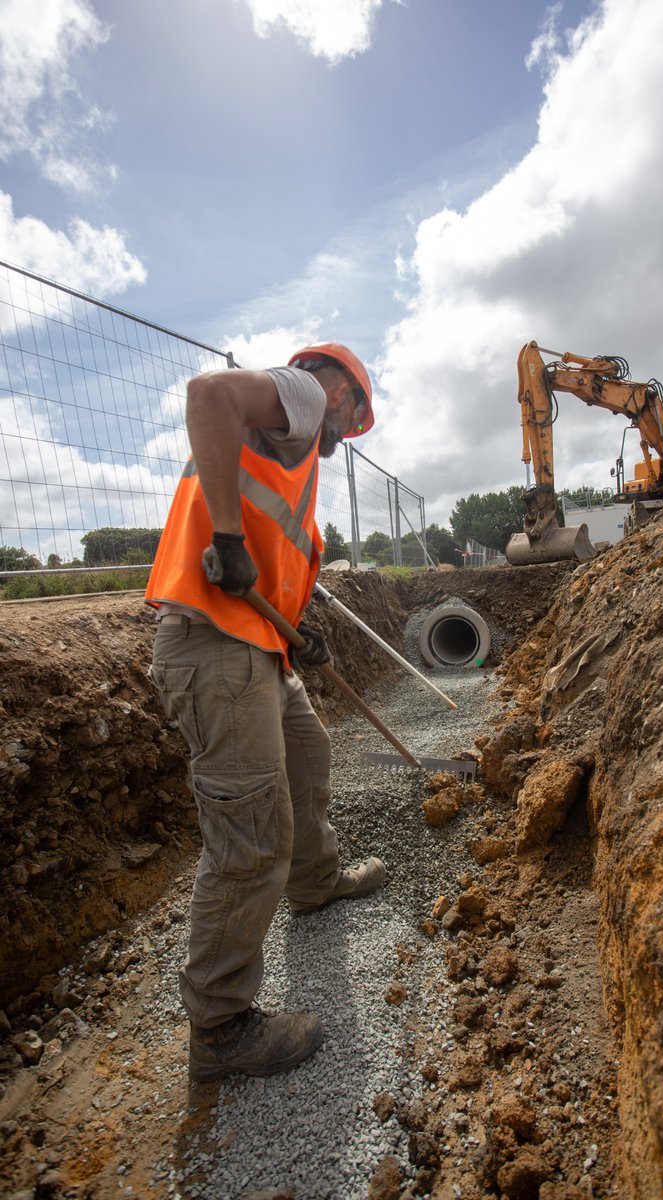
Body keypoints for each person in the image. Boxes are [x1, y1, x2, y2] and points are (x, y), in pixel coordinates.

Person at [145, 343, 386, 1083]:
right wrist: (225, 535)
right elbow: (208, 394)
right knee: (251, 836)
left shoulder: (294, 463)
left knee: (309, 756)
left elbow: (275, 565)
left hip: (262, 649)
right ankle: (220, 1027)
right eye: (354, 416)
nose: (345, 432)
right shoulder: (304, 395)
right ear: (341, 390)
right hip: (217, 650)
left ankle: (315, 882)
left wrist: (300, 634)